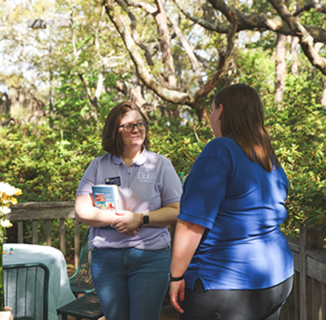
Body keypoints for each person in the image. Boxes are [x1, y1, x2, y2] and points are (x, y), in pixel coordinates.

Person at [169, 84, 294, 320]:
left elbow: (192, 224)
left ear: (221, 111)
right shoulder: (267, 157)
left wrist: (176, 276)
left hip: (227, 284)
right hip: (278, 276)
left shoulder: (220, 150)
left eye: (212, 110)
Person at [75, 101, 182, 320]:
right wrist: (119, 219)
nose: (137, 129)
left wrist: (140, 219)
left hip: (150, 259)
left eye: (141, 123)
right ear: (115, 131)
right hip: (106, 260)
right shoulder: (98, 165)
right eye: (129, 125)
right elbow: (81, 209)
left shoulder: (161, 165)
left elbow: (177, 210)